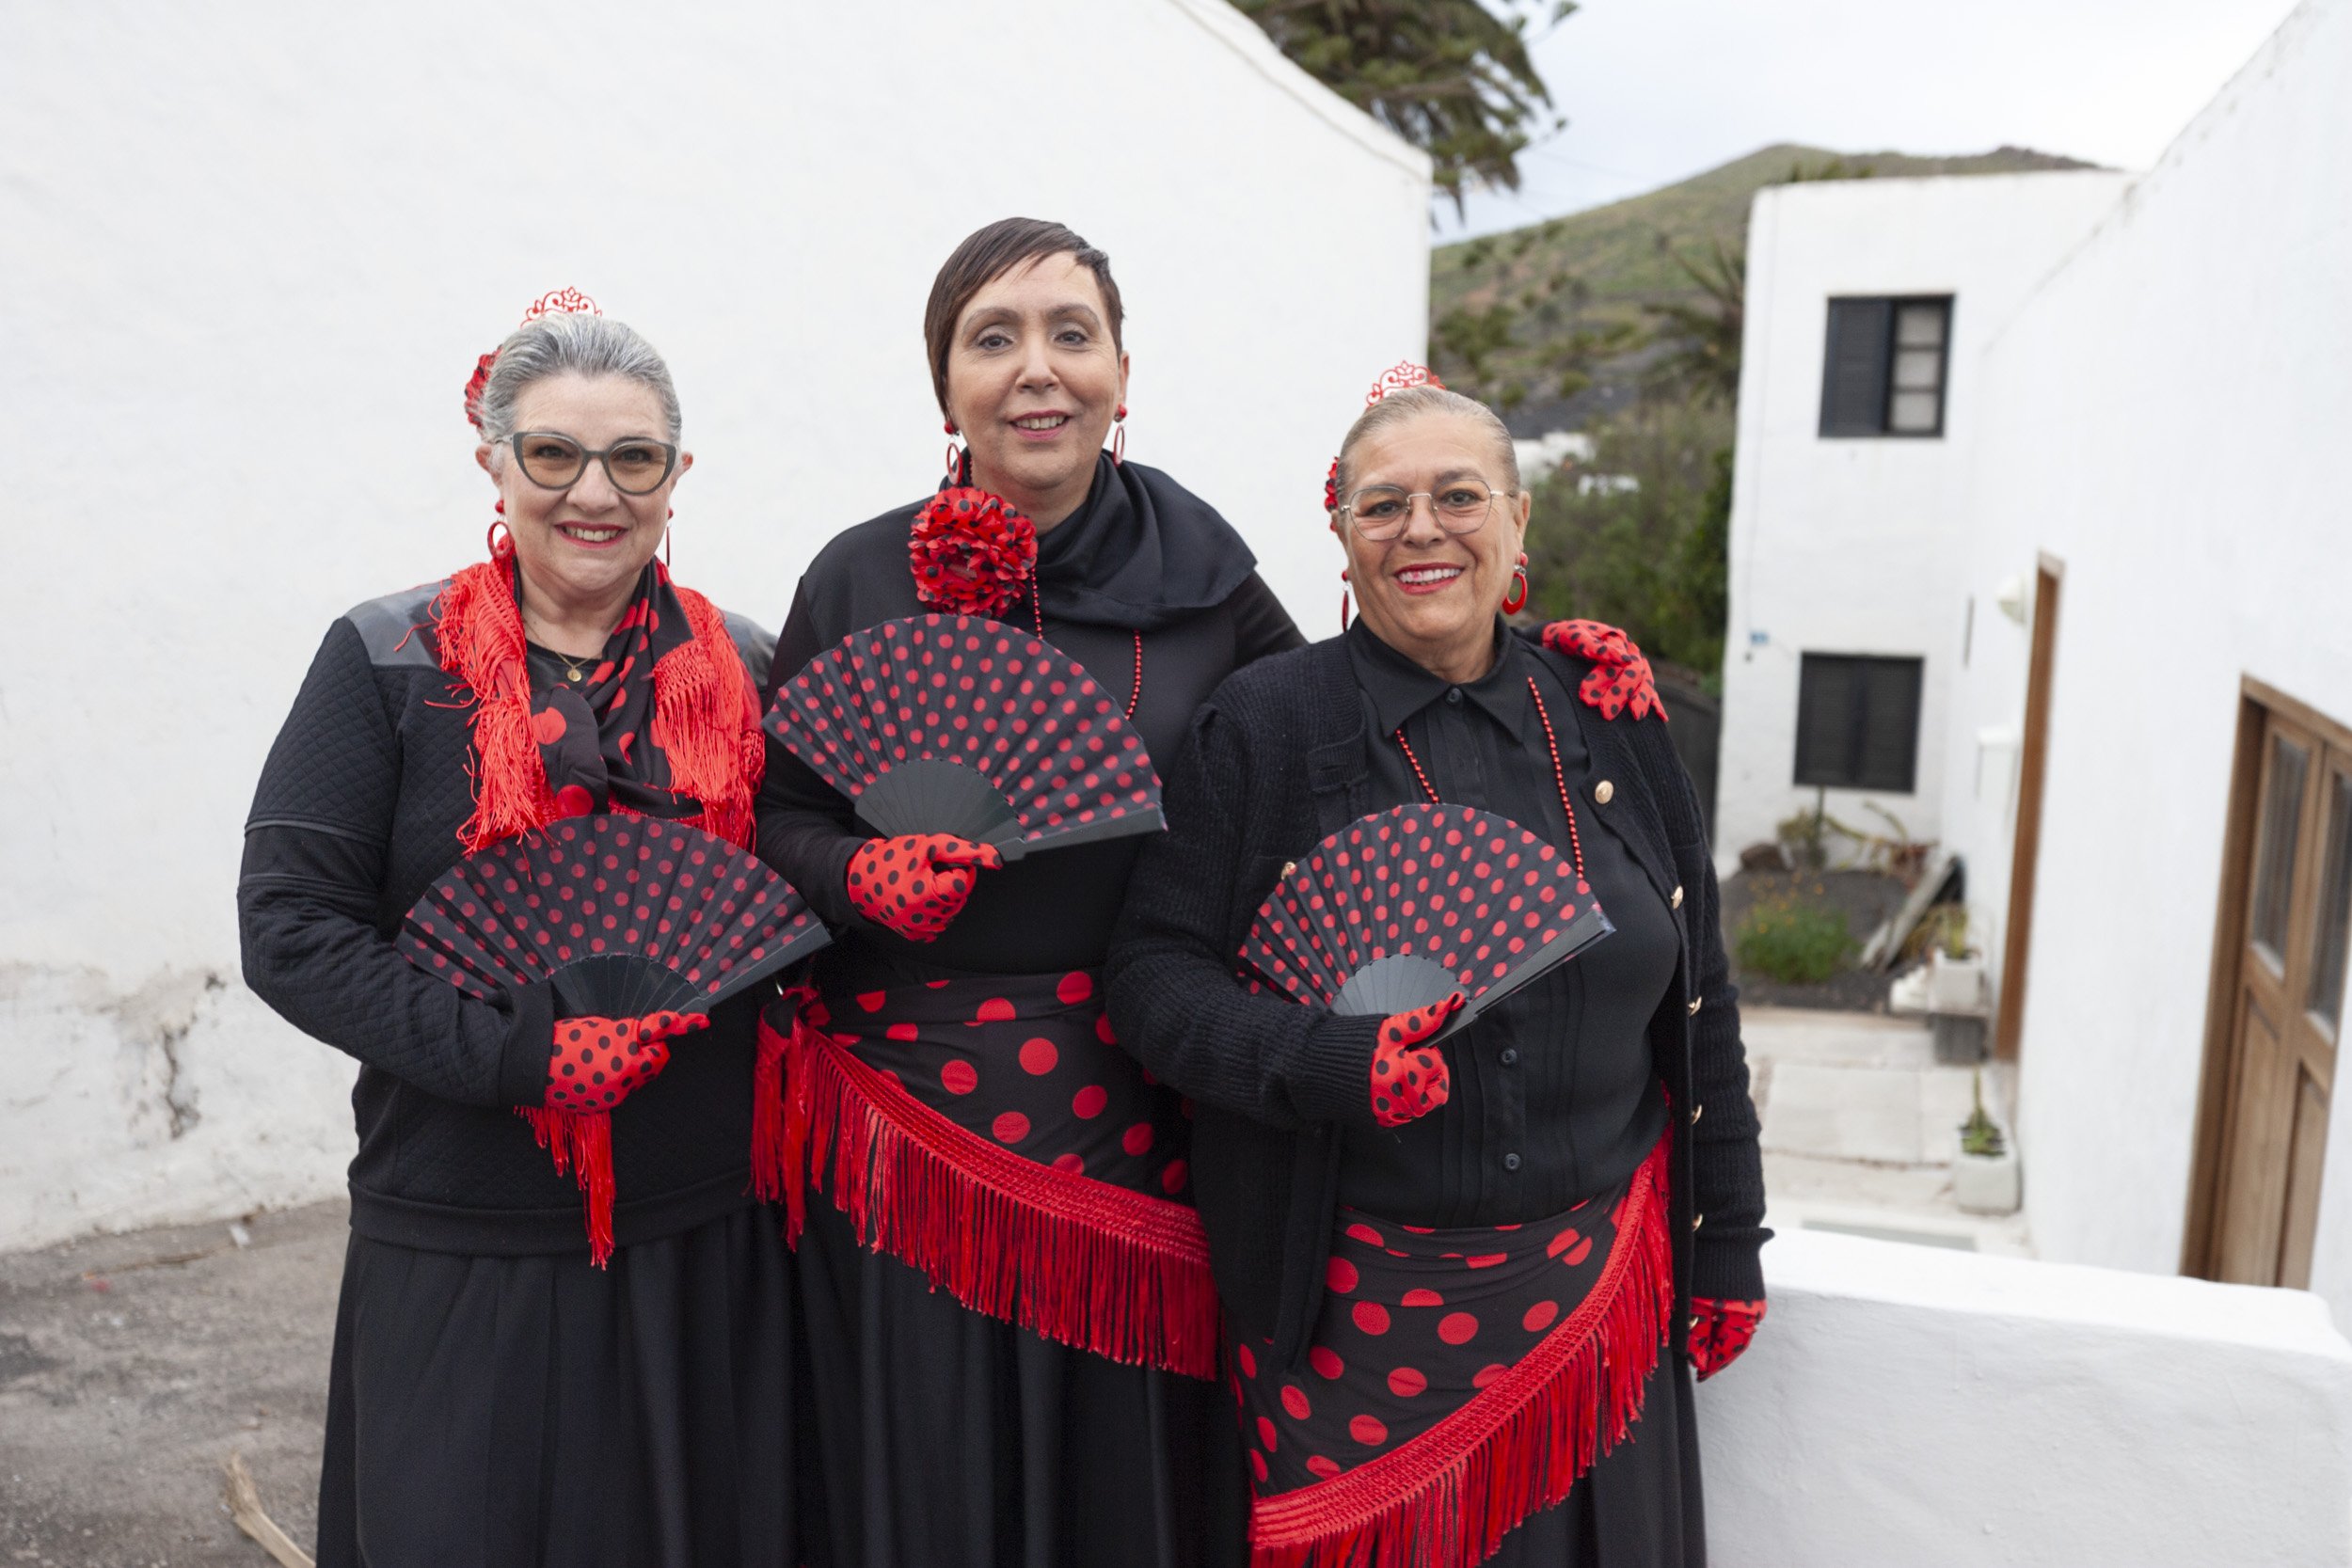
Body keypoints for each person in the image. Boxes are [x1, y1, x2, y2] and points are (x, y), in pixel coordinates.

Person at [1105, 371, 1768, 1568]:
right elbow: (1153, 978)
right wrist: (1324, 1056)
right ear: (1342, 536)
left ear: (1517, 520)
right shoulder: (1263, 723)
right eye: (1382, 504)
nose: (1422, 528)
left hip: (1595, 1299)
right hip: (1352, 1315)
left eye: (1458, 494)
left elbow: (1700, 995)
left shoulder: (1610, 714)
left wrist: (1728, 1236)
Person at [755, 217, 1303, 1566]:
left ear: (1123, 368)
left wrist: (1517, 678)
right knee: (921, 1470)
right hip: (902, 1132)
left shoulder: (1212, 580)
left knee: (1124, 1485)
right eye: (992, 337)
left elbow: (1323, 752)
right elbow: (775, 813)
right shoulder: (859, 571)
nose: (1037, 368)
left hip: (1139, 1116)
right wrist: (857, 867)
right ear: (945, 384)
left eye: (1072, 332)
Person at [238, 292, 791, 1568]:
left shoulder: (750, 667)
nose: (592, 490)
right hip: (461, 1231)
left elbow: (806, 907)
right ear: (495, 460)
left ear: (676, 475)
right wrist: (512, 1053)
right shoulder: (386, 658)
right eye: (552, 452)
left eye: (632, 456)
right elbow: (290, 926)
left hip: (704, 1237)